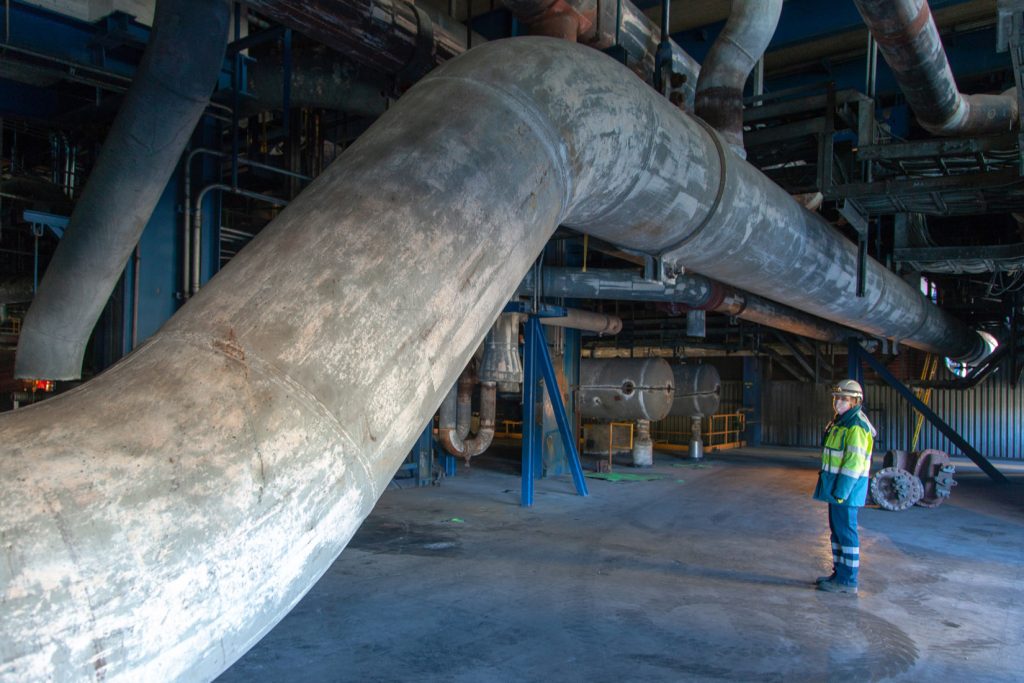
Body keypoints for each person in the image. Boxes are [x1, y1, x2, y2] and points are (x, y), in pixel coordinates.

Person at [813, 379, 875, 594]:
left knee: (846, 533)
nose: (838, 402)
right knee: (837, 532)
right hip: (836, 488)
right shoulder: (841, 422)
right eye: (837, 398)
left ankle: (848, 581)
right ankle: (839, 573)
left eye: (843, 399)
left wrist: (842, 491)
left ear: (855, 401)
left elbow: (853, 463)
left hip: (846, 490)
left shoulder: (856, 425)